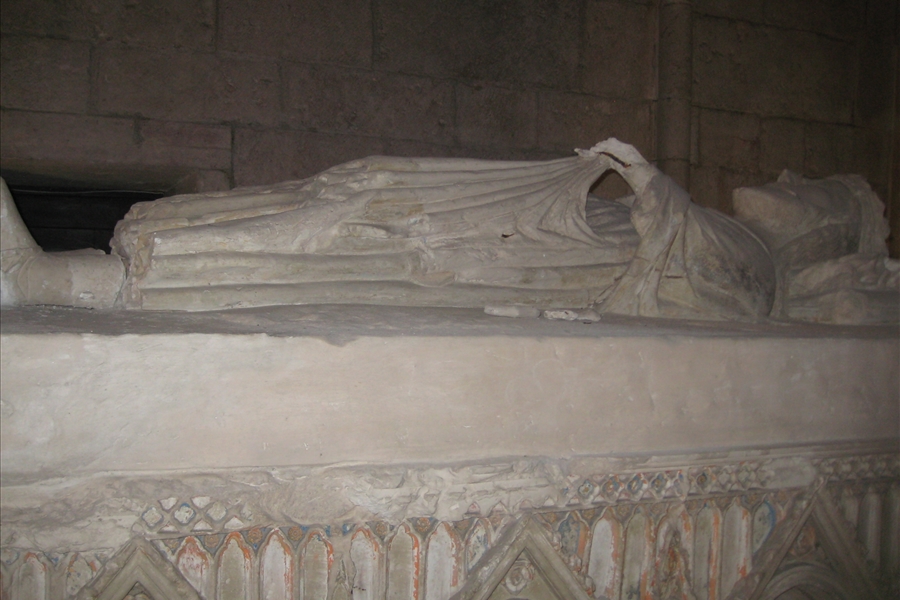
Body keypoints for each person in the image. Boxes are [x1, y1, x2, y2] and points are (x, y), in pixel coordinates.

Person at [1, 139, 895, 323]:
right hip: (536, 228)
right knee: (360, 189)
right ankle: (71, 270)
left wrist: (658, 191)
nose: (787, 180)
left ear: (828, 229)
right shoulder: (746, 246)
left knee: (350, 237)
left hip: (544, 261)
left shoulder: (760, 264)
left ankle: (69, 282)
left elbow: (686, 287)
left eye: (811, 188)